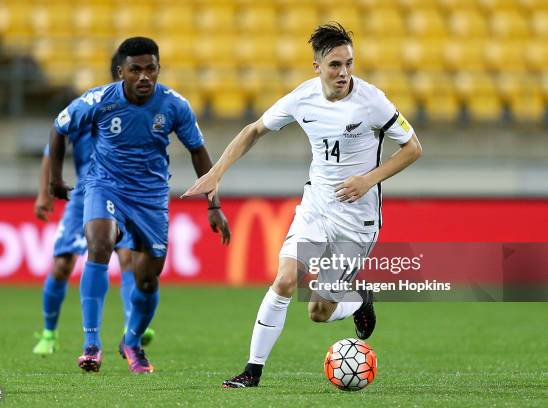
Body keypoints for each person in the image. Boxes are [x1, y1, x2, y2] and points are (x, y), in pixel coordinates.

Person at [183, 23, 422, 388]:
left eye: (349, 63)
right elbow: (253, 130)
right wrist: (217, 173)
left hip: (357, 221)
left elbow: (413, 148)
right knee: (285, 280)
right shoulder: (302, 98)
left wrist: (367, 179)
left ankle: (358, 300)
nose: (343, 73)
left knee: (318, 311)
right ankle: (252, 370)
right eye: (334, 65)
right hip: (316, 208)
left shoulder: (373, 100)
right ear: (317, 66)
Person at [49, 37, 230, 374]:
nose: (144, 76)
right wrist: (54, 181)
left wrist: (213, 204)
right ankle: (91, 344)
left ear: (158, 69)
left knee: (148, 279)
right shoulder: (99, 100)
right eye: (136, 70)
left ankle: (131, 341)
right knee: (98, 243)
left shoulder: (174, 105)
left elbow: (198, 152)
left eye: (151, 69)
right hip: (105, 185)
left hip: (150, 197)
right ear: (122, 72)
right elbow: (59, 128)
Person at [32, 53, 154, 356]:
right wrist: (45, 193)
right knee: (62, 266)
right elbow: (52, 150)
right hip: (84, 196)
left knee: (128, 258)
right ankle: (49, 333)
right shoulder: (83, 113)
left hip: (121, 195)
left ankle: (131, 329)